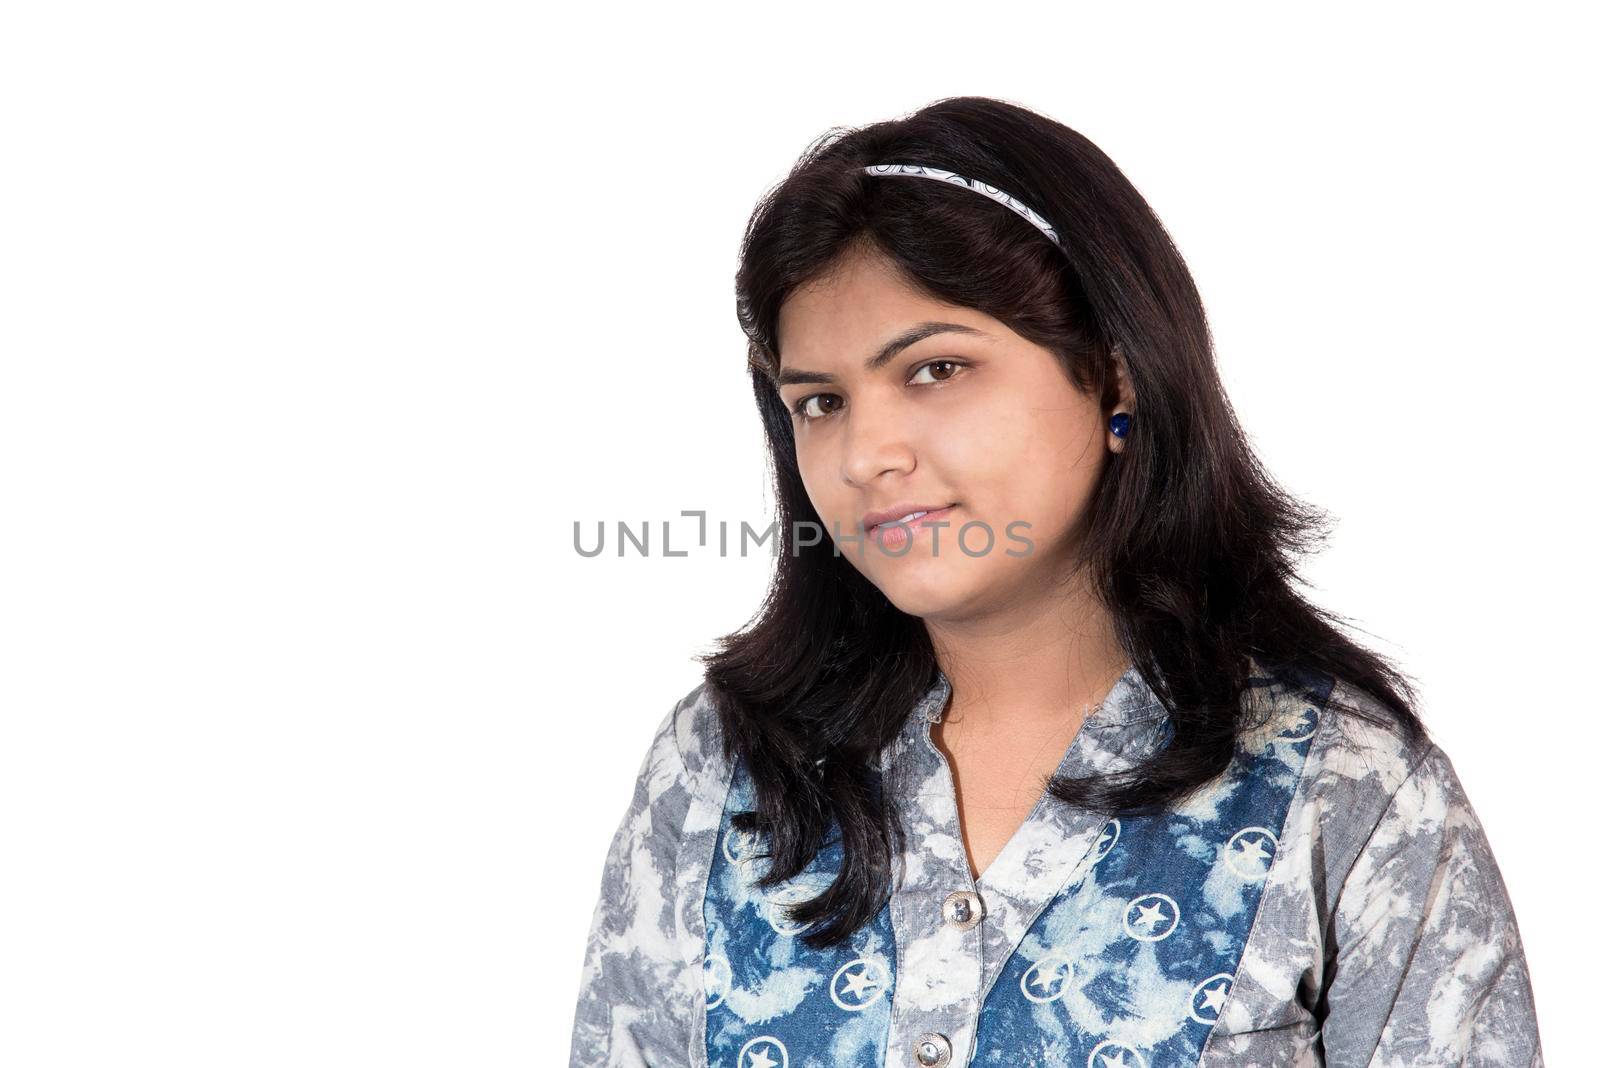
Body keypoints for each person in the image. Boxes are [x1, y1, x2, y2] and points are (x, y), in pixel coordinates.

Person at [565, 96, 1543, 1067]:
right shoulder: (719, 767)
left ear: (1114, 375)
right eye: (819, 402)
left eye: (937, 369)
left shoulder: (1346, 790)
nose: (865, 454)